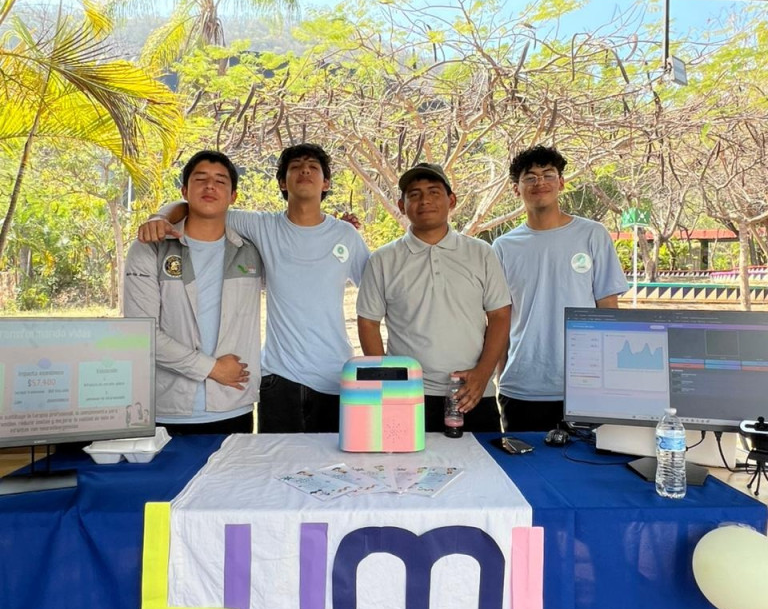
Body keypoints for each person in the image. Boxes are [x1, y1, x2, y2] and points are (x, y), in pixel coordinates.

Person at [137, 143, 369, 433]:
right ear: (282, 182)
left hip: (336, 377)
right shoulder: (261, 226)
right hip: (278, 379)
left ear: (326, 183)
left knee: (334, 460)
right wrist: (160, 217)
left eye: (313, 167)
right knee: (275, 461)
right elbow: (200, 206)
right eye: (295, 167)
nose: (305, 171)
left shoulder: (346, 235)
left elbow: (375, 294)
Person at [357, 162, 511, 432]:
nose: (425, 200)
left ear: (451, 200)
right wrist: (388, 382)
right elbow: (368, 322)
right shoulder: (383, 260)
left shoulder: (481, 253)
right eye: (414, 194)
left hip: (473, 391)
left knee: (482, 459)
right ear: (402, 205)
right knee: (408, 460)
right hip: (408, 394)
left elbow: (499, 315)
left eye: (434, 192)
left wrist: (483, 374)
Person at [124, 150, 262, 436]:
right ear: (184, 191)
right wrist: (212, 368)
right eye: (200, 179)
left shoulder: (252, 251)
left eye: (220, 181)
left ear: (233, 196)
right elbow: (142, 333)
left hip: (233, 405)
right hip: (168, 408)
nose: (210, 186)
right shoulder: (150, 248)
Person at [492, 145, 628, 432]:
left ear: (561, 182)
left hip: (586, 385)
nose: (539, 182)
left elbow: (608, 309)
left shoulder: (592, 234)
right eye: (530, 177)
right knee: (526, 460)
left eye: (548, 175)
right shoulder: (503, 247)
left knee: (586, 459)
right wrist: (501, 376)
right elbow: (500, 317)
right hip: (522, 386)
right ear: (516, 189)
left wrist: (612, 378)